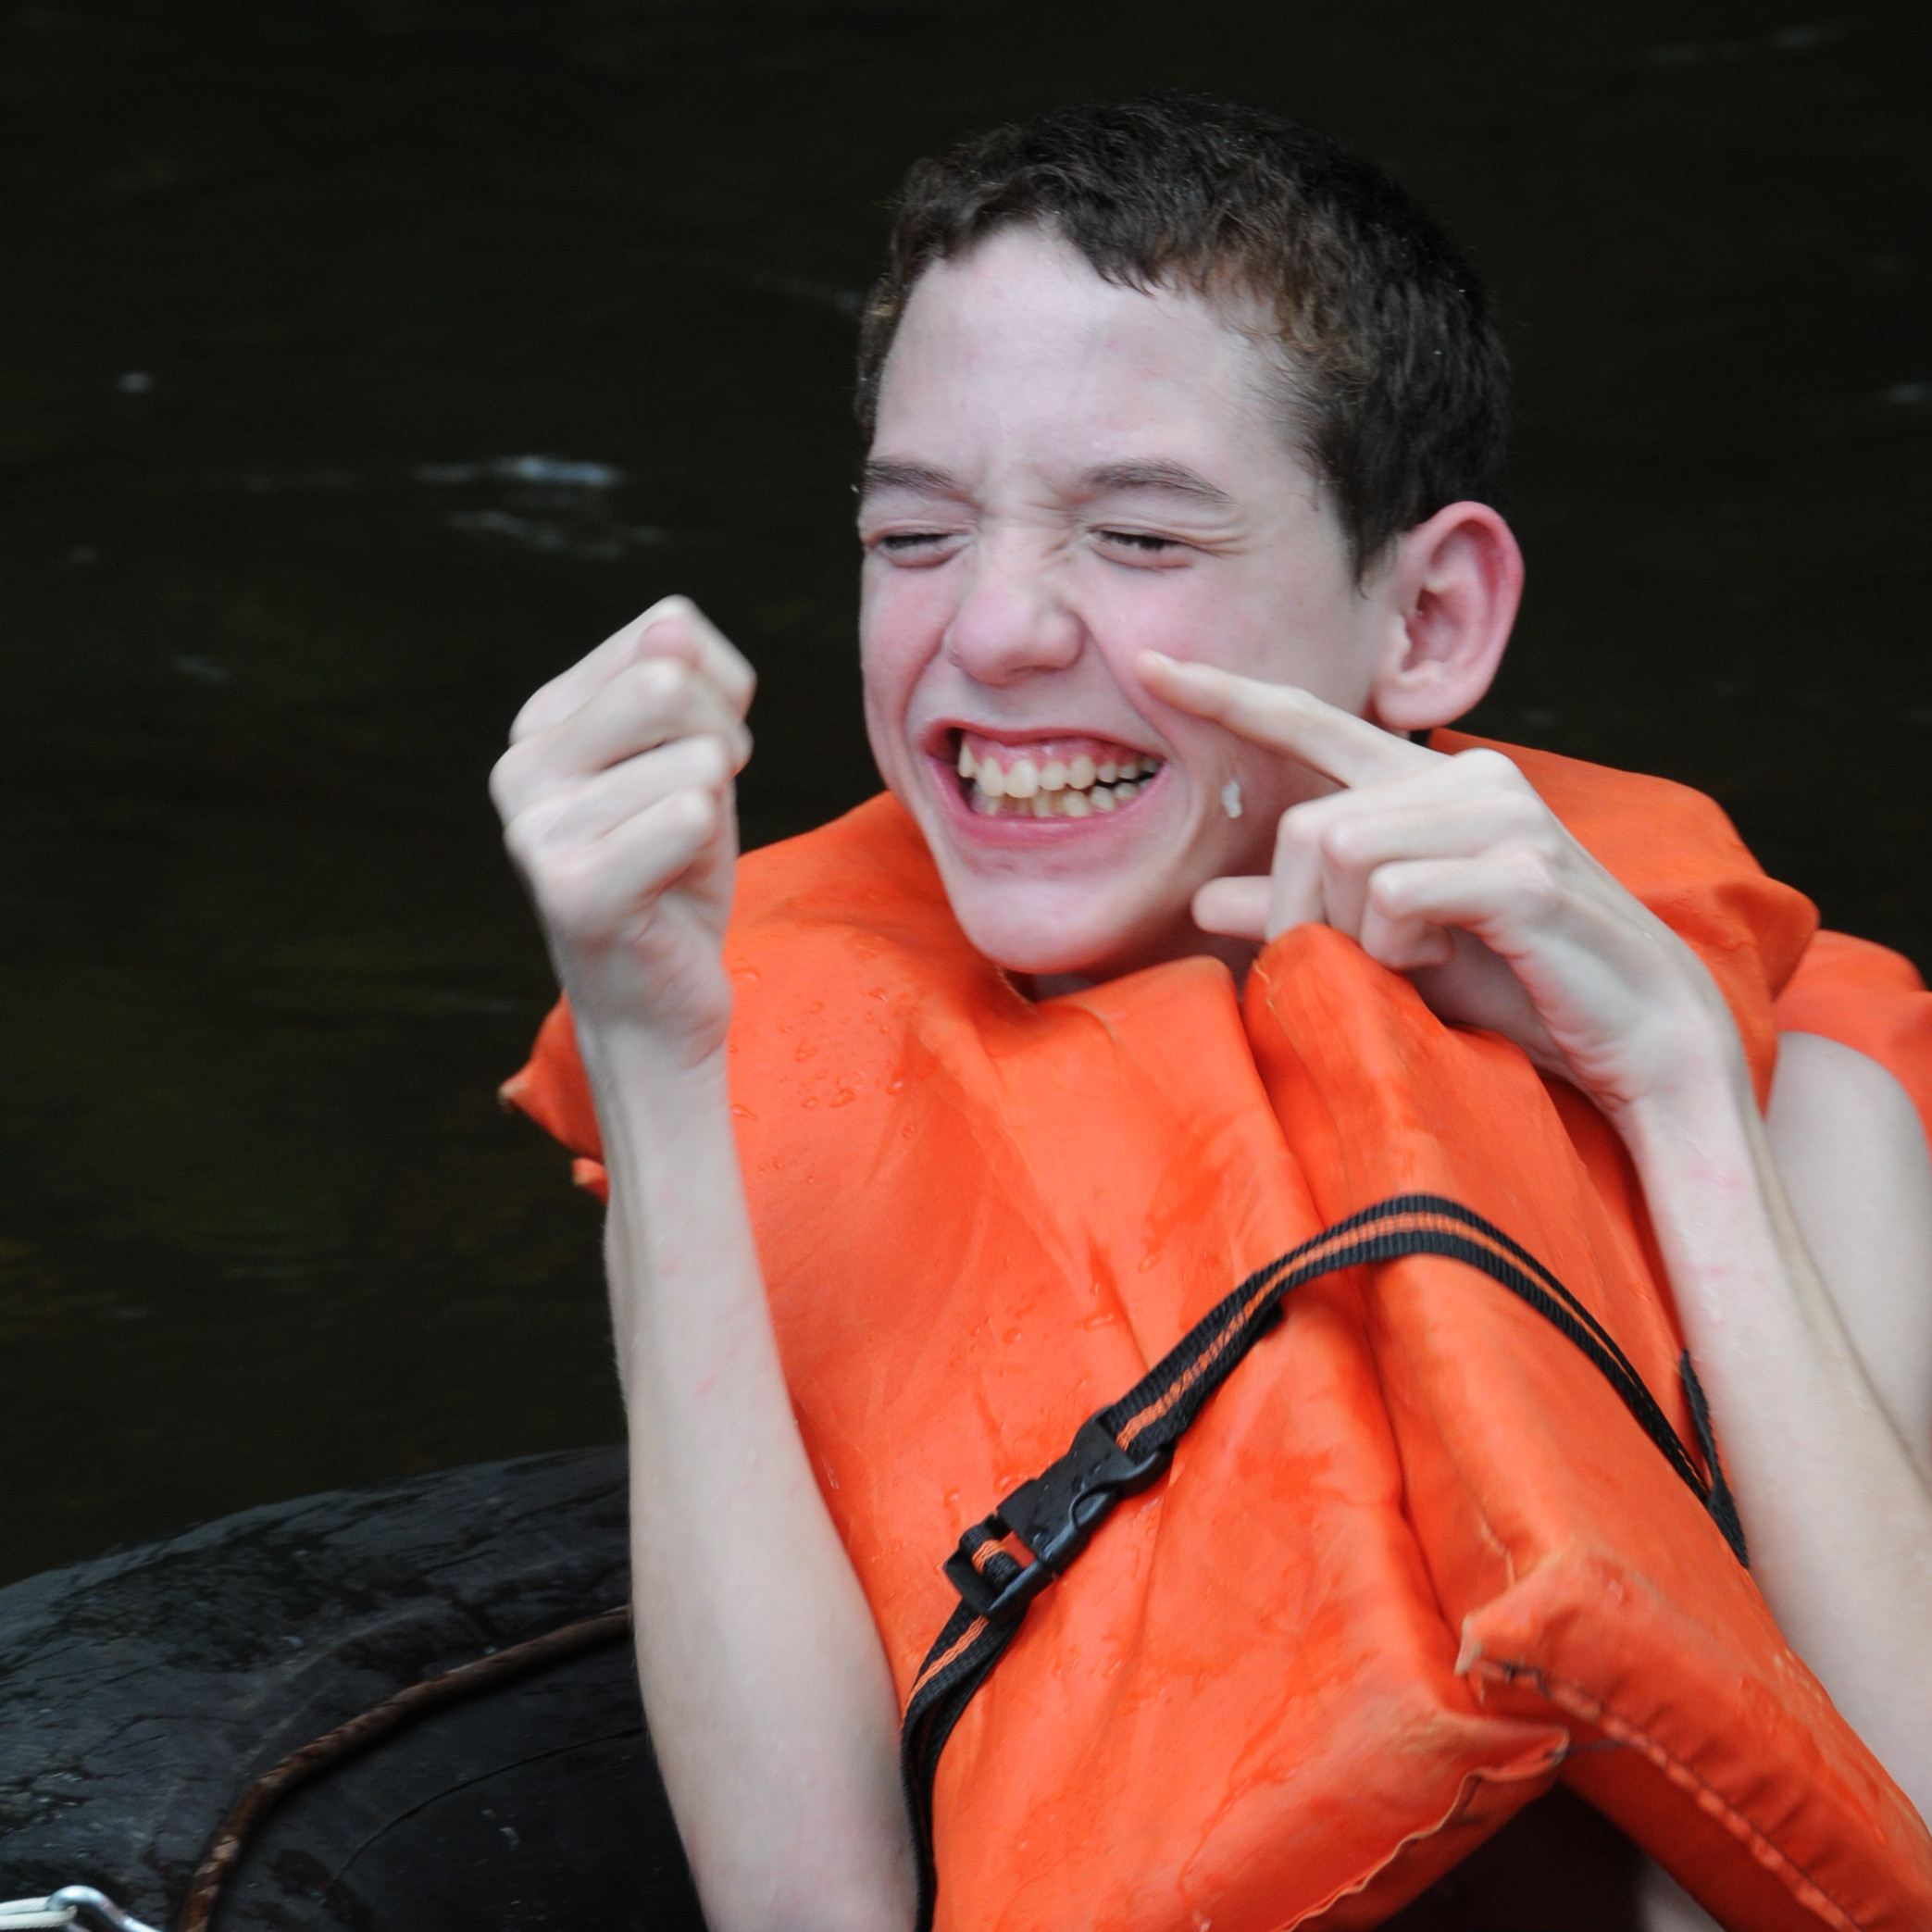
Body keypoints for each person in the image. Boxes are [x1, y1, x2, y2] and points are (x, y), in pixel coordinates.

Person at [490, 95, 1932, 1932]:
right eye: (914, 533)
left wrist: (1675, 1107)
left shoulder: (1788, 1076)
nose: (994, 629)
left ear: (1426, 621)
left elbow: (1896, 1838)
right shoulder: (744, 1045)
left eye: (1142, 535)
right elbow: (806, 1914)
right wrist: (654, 1060)